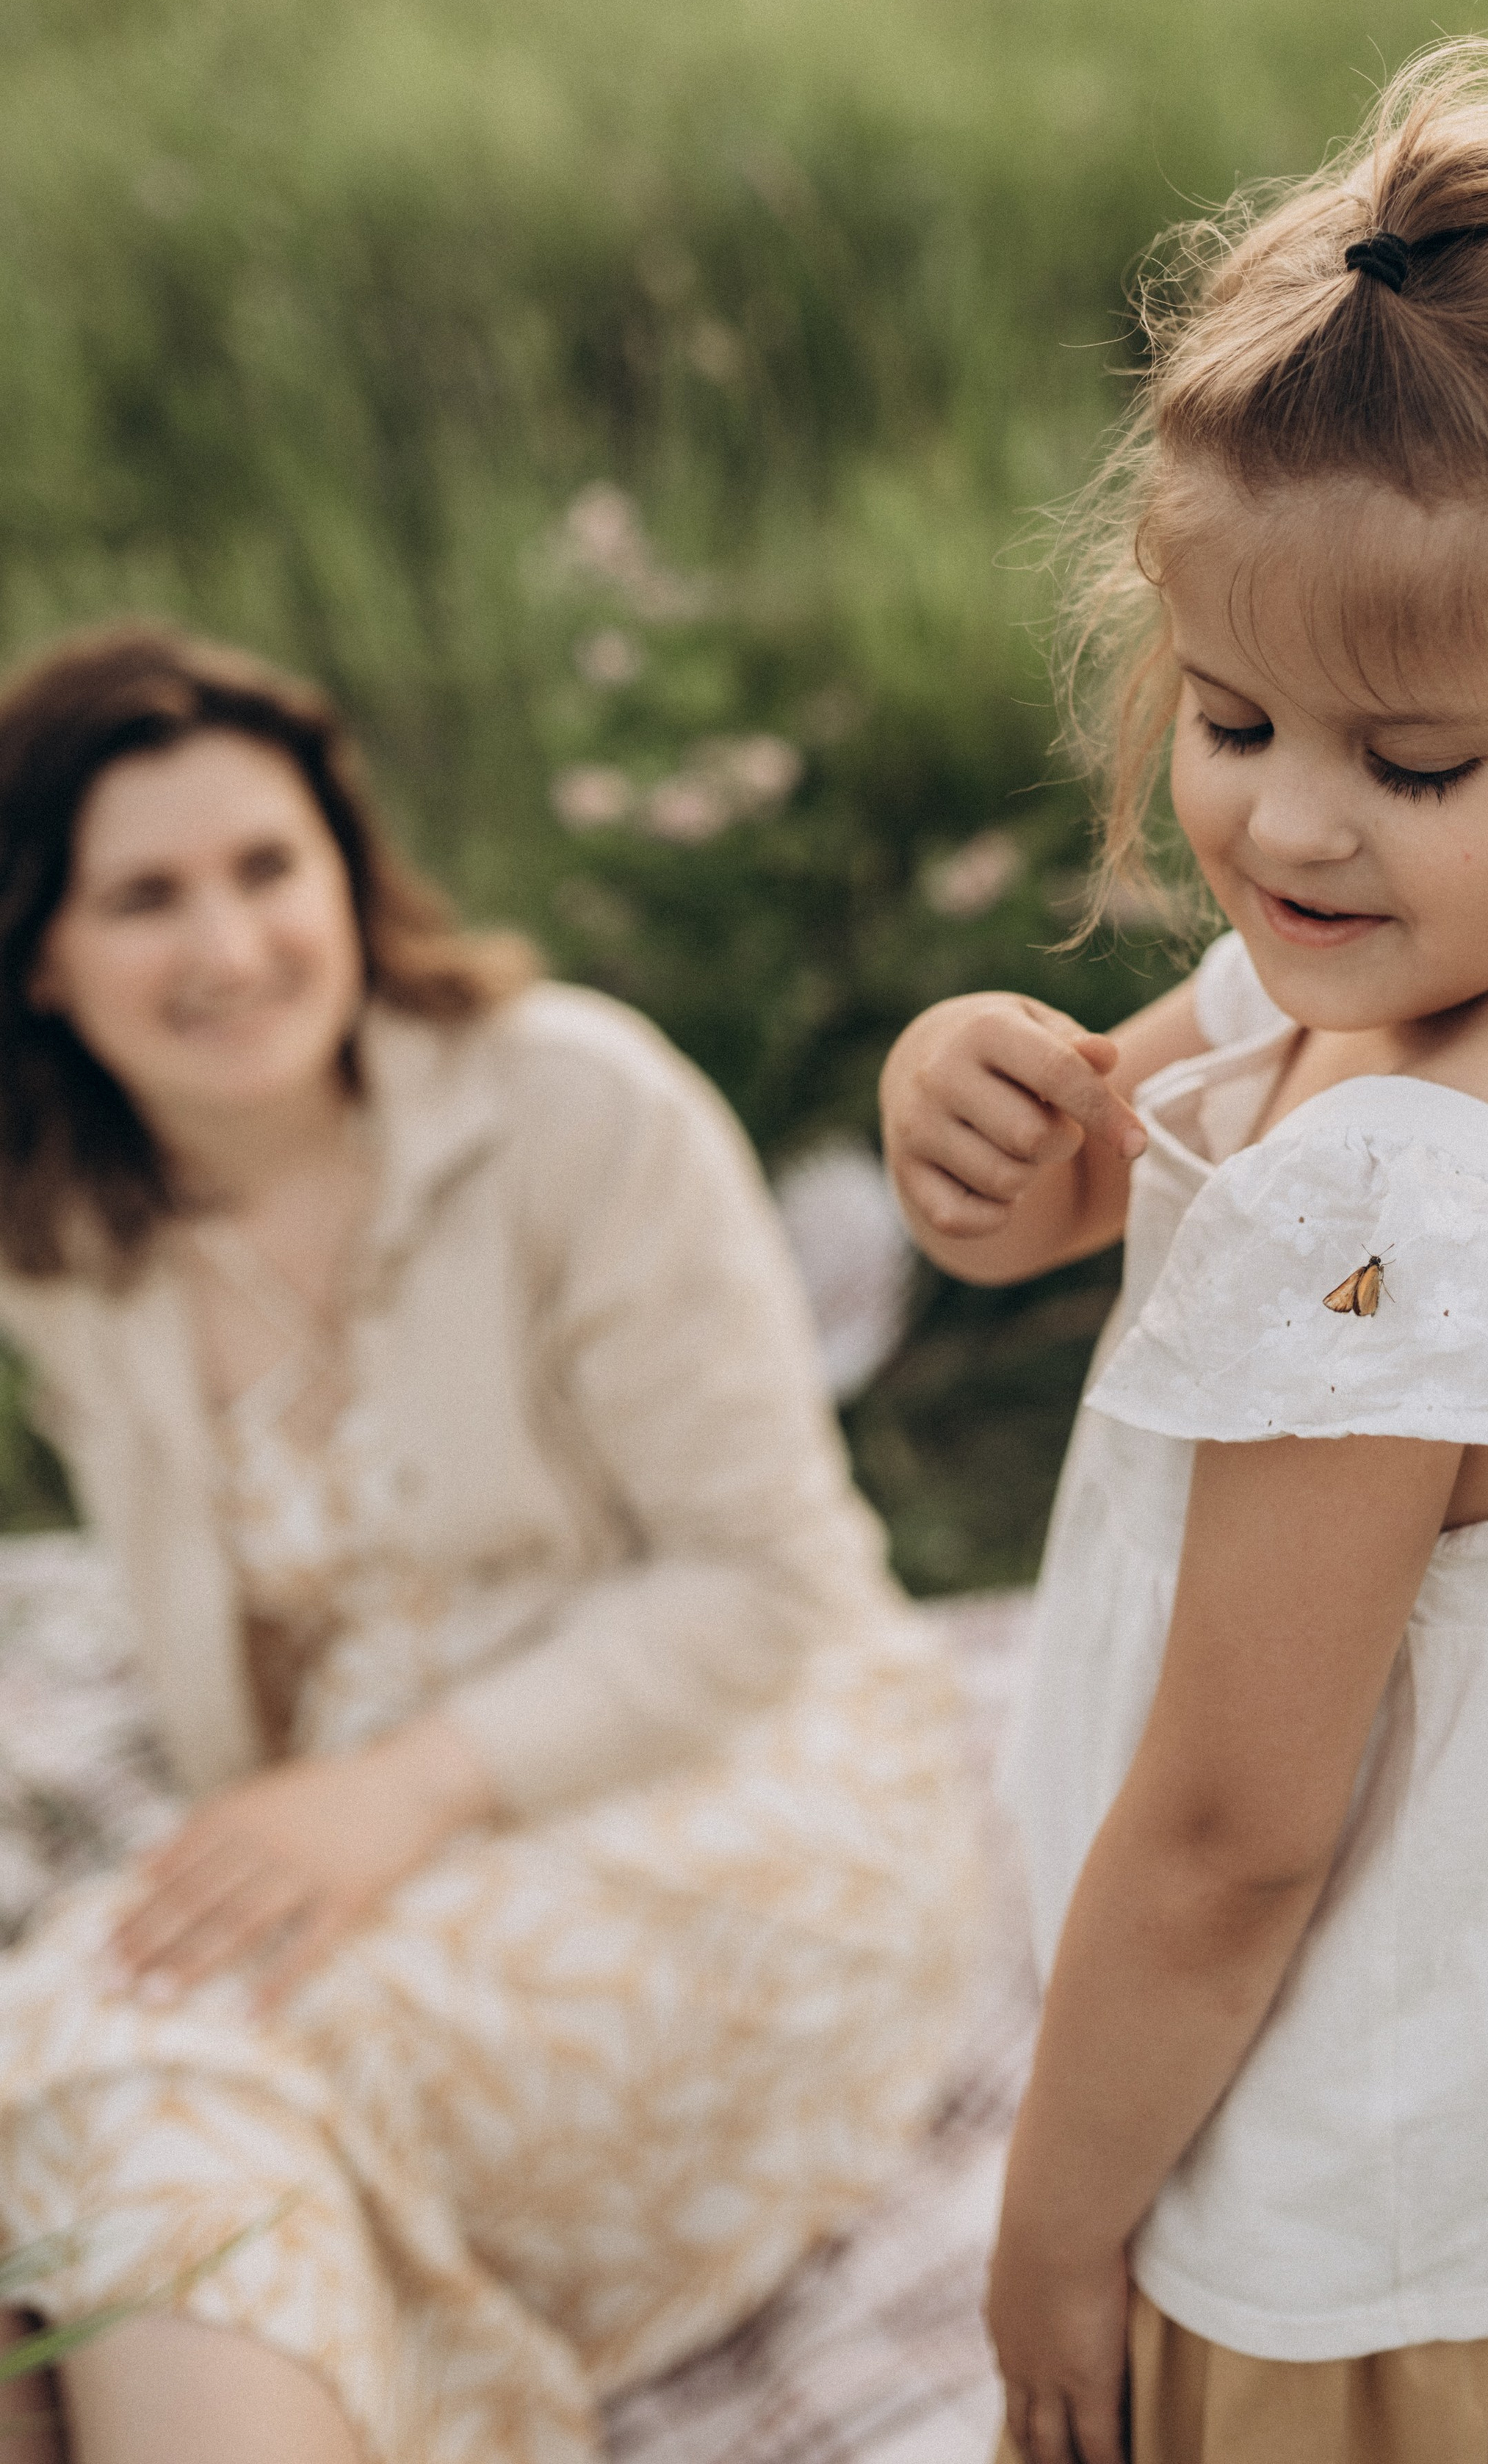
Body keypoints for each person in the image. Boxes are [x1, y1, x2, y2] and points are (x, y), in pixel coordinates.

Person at [881, 42, 1488, 2464]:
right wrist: (993, 1120)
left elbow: (1227, 1840)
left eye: (1406, 761)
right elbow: (1141, 1150)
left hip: (1326, 2223)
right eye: (1230, 714)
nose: (1291, 826)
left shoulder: (1402, 1201)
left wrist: (1045, 2233)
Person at [0, 624, 978, 2464]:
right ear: (42, 952)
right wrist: (324, 1803)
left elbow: (761, 1583)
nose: (227, 947)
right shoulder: (68, 1238)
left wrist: (397, 1793)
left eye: (266, 869)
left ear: (349, 878)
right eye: (145, 896)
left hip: (730, 1786)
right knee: (112, 2131)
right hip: (370, 1811)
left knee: (131, 2080)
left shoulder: (569, 1106)